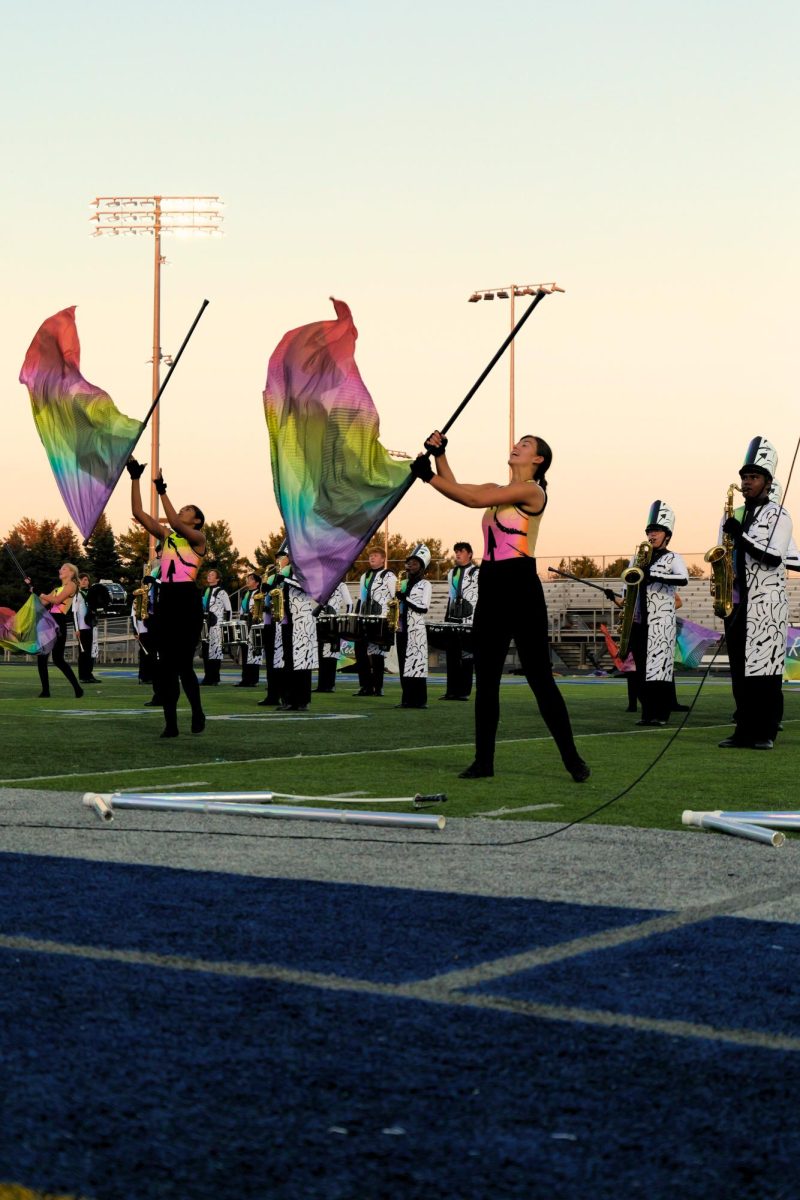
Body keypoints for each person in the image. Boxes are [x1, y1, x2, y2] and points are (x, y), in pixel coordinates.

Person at [411, 431, 589, 782]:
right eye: (518, 442)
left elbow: (470, 500)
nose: (517, 446)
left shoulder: (532, 491)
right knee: (486, 679)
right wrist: (440, 455)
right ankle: (483, 762)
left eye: (526, 445)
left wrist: (428, 476)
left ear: (537, 460)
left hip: (520, 584)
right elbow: (463, 490)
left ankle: (572, 760)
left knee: (540, 679)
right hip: (491, 582)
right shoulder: (496, 490)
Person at [717, 437, 792, 750]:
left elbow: (774, 557)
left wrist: (741, 536)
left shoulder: (779, 515)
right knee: (740, 672)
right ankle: (743, 730)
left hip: (766, 605)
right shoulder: (737, 517)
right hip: (736, 602)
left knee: (765, 671)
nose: (747, 483)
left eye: (754, 477)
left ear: (767, 482)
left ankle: (764, 733)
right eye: (744, 478)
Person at [128, 457, 206, 738]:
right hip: (167, 599)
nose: (182, 511)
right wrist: (135, 478)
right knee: (165, 666)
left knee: (183, 664)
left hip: (187, 600)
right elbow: (138, 512)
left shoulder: (198, 539)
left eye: (188, 510)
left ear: (196, 520)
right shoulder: (168, 537)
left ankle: (197, 711)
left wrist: (162, 490)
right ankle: (171, 724)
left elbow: (172, 519)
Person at [612, 502, 688, 726]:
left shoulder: (673, 558)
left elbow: (683, 578)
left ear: (667, 535)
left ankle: (661, 714)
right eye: (649, 531)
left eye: (656, 531)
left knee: (660, 669)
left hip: (660, 623)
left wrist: (653, 575)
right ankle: (647, 713)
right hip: (637, 622)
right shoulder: (636, 559)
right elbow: (627, 588)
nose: (651, 534)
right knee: (642, 671)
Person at [271, 545, 318, 711]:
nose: (279, 561)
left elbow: (309, 588)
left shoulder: (303, 569)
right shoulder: (282, 573)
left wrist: (285, 579)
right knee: (288, 661)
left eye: (282, 557)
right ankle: (289, 699)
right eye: (278, 558)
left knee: (302, 661)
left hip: (302, 621)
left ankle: (302, 700)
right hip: (286, 621)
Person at [30, 563, 84, 699]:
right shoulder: (57, 588)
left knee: (58, 659)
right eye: (61, 568)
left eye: (64, 568)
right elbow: (43, 603)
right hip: (50, 620)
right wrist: (32, 587)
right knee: (43, 658)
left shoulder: (72, 585)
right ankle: (46, 691)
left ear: (71, 573)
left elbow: (57, 600)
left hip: (58, 621)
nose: (61, 570)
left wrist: (39, 592)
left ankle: (77, 688)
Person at [353, 546, 396, 697]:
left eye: (376, 555)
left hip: (381, 619)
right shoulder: (365, 576)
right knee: (360, 651)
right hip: (365, 617)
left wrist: (391, 620)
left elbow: (395, 597)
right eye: (371, 555)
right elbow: (361, 598)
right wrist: (357, 616)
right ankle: (365, 686)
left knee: (377, 654)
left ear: (383, 559)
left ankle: (378, 687)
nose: (372, 558)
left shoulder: (389, 576)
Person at [395, 544, 432, 709]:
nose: (410, 566)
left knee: (417, 664)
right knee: (404, 665)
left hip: (416, 629)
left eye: (415, 563)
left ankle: (420, 700)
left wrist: (405, 599)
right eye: (409, 563)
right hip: (402, 628)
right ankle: (406, 699)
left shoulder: (426, 585)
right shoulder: (402, 583)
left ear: (422, 567)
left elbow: (423, 607)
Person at [441, 541, 479, 701]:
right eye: (456, 551)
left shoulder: (478, 572)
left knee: (467, 655)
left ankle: (464, 691)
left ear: (469, 554)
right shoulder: (452, 573)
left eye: (461, 551)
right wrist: (447, 615)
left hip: (470, 619)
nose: (457, 554)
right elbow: (451, 595)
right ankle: (451, 691)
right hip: (454, 617)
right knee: (452, 655)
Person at [314, 579, 352, 694]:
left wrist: (346, 620)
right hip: (321, 620)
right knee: (321, 653)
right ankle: (321, 685)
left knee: (332, 652)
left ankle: (330, 685)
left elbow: (349, 604)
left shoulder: (341, 585)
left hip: (333, 621)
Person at [200, 567, 232, 686]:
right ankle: (207, 676)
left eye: (212, 575)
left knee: (215, 651)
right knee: (206, 651)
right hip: (206, 624)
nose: (209, 576)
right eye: (209, 574)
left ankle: (214, 678)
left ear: (217, 579)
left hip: (217, 625)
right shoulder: (206, 590)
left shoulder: (222, 592)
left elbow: (228, 609)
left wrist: (226, 627)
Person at [73, 572, 101, 684]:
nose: (84, 581)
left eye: (86, 580)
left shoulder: (91, 593)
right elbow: (74, 613)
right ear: (78, 582)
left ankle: (89, 674)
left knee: (91, 652)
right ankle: (83, 676)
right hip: (82, 627)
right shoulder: (77, 594)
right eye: (82, 580)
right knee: (83, 652)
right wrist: (76, 628)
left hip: (91, 626)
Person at [236, 572, 263, 687]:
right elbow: (242, 609)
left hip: (255, 623)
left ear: (257, 582)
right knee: (245, 651)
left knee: (254, 651)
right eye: (247, 579)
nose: (248, 581)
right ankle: (245, 679)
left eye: (251, 579)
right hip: (245, 623)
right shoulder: (245, 593)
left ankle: (253, 679)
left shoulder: (260, 593)